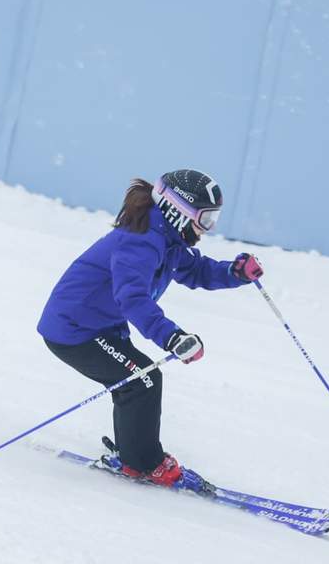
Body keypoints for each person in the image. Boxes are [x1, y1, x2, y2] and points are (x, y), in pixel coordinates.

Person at [37, 169, 265, 487]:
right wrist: (171, 337)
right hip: (75, 329)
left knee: (136, 380)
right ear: (178, 211)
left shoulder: (167, 241)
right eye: (206, 218)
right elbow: (133, 299)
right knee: (141, 380)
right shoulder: (140, 242)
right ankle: (143, 463)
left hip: (100, 324)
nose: (207, 228)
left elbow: (196, 270)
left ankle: (133, 453)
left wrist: (234, 272)